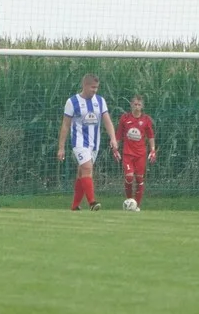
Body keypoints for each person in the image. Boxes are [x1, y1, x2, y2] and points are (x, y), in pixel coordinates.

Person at [56, 73, 120, 211]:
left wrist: (113, 138)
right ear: (85, 85)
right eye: (92, 87)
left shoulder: (100, 101)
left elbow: (107, 120)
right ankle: (92, 203)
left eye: (97, 87)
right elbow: (65, 125)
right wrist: (61, 147)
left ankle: (74, 206)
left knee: (81, 172)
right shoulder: (72, 102)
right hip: (79, 143)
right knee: (87, 168)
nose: (95, 90)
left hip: (94, 144)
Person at [117, 95, 156, 211]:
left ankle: (137, 206)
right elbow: (119, 134)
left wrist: (153, 150)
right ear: (131, 105)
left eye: (139, 105)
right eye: (135, 104)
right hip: (128, 154)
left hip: (140, 155)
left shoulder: (146, 120)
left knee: (139, 179)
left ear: (142, 106)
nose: (137, 107)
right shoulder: (125, 118)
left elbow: (150, 136)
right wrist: (115, 147)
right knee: (129, 177)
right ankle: (129, 201)